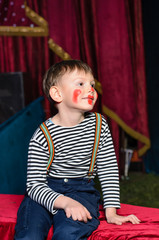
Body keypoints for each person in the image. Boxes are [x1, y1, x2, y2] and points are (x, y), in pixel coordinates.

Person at [14, 60, 140, 240]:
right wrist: (65, 202)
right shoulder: (42, 135)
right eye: (81, 84)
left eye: (92, 84)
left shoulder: (99, 126)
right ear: (57, 93)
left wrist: (111, 212)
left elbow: (108, 169)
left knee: (68, 233)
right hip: (45, 190)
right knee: (30, 234)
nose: (91, 89)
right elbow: (34, 185)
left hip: (81, 190)